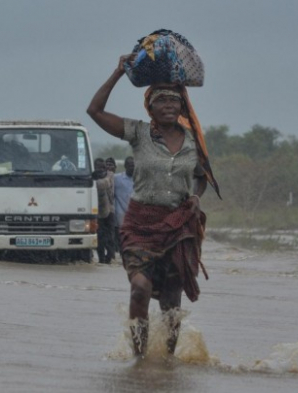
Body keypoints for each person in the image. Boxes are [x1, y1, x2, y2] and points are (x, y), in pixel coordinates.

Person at [87, 54, 220, 357]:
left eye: (174, 101)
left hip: (177, 227)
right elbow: (94, 110)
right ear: (150, 108)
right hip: (140, 225)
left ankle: (167, 362)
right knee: (140, 289)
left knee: (171, 303)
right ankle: (140, 358)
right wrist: (118, 71)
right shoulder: (138, 133)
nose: (169, 106)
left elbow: (202, 178)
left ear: (182, 108)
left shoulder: (192, 142)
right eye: (162, 101)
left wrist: (196, 196)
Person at [93, 158, 115, 264]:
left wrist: (92, 181)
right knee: (99, 237)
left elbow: (104, 184)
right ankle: (101, 258)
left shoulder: (110, 175)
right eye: (98, 167)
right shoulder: (92, 176)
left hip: (110, 210)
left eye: (102, 167)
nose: (100, 169)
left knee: (110, 236)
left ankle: (109, 257)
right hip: (97, 212)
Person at [113, 157, 135, 257]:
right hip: (121, 214)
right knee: (122, 238)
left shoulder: (139, 180)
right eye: (130, 165)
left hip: (135, 215)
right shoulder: (117, 179)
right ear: (125, 166)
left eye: (134, 165)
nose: (132, 168)